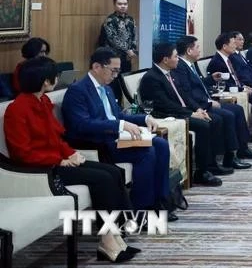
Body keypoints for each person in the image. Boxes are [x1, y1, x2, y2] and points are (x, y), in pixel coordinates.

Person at [4, 56, 140, 263]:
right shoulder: (17, 109)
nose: (57, 79)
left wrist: (69, 153)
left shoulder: (43, 101)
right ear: (45, 81)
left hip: (58, 160)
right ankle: (107, 239)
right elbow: (22, 153)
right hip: (41, 170)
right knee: (102, 179)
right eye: (54, 77)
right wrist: (58, 160)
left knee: (112, 171)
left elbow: (55, 137)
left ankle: (117, 232)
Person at [61, 48, 173, 216]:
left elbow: (116, 115)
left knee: (161, 144)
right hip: (98, 143)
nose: (115, 75)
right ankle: (141, 209)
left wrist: (144, 119)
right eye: (113, 70)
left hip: (116, 139)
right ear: (97, 67)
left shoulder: (106, 88)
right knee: (146, 152)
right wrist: (119, 126)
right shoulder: (78, 90)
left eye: (118, 71)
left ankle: (161, 200)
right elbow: (82, 125)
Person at [138, 43, 228, 186]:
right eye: (175, 57)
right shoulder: (152, 78)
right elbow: (165, 104)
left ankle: (211, 164)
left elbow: (185, 96)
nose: (178, 59)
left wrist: (197, 109)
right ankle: (201, 172)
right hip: (165, 115)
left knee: (213, 119)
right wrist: (191, 114)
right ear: (165, 59)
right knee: (204, 125)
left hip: (181, 111)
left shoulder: (171, 73)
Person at [172, 35, 252, 164]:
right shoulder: (180, 67)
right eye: (197, 47)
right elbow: (187, 92)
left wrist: (210, 79)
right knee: (228, 115)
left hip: (205, 100)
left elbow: (198, 84)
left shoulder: (191, 64)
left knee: (237, 109)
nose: (200, 50)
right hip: (198, 105)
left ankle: (242, 148)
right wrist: (208, 102)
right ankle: (229, 157)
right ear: (189, 51)